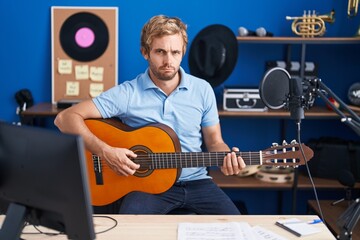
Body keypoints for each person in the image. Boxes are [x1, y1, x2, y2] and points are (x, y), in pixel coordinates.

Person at [54, 15, 246, 215]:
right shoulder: (127, 93)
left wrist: (227, 158)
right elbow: (65, 118)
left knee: (236, 227)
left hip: (197, 182)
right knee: (130, 230)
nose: (168, 61)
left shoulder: (203, 90)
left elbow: (215, 142)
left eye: (175, 52)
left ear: (183, 52)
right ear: (145, 52)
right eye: (160, 52)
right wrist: (105, 152)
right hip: (147, 188)